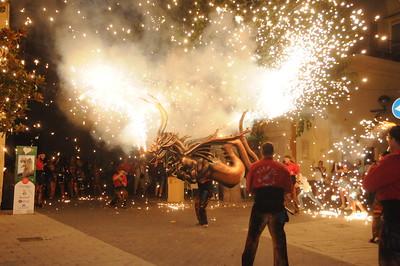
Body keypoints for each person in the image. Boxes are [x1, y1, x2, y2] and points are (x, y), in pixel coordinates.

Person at [242, 142, 292, 266]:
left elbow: (249, 189)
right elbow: (288, 189)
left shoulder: (254, 167)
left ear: (262, 152)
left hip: (260, 207)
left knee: (252, 240)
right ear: (273, 152)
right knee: (279, 244)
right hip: (277, 208)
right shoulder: (282, 168)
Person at [363, 125, 400, 266]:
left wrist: (377, 165)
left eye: (388, 138)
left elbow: (368, 184)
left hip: (394, 217)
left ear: (394, 140)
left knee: (392, 258)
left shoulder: (392, 161)